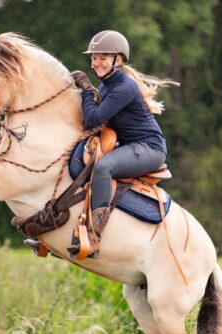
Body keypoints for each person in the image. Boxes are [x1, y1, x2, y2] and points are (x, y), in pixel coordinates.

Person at [24, 30, 177, 258]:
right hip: (129, 145)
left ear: (119, 59)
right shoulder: (107, 86)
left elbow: (93, 119)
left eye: (102, 58)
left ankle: (93, 237)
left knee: (104, 167)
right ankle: (55, 232)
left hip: (149, 149)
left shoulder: (123, 87)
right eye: (94, 58)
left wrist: (86, 89)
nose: (96, 63)